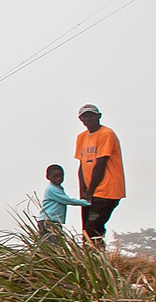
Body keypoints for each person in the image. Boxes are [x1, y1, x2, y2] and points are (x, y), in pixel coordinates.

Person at [74, 104, 126, 243]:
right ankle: (90, 260)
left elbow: (100, 164)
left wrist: (90, 191)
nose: (88, 118)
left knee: (93, 228)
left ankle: (95, 259)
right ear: (81, 119)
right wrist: (83, 192)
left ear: (99, 116)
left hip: (107, 189)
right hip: (90, 191)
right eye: (85, 116)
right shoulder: (81, 137)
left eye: (91, 115)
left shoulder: (106, 134)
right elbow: (82, 165)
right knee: (86, 230)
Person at [40, 164, 88, 239]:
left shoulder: (58, 188)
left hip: (53, 220)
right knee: (53, 243)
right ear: (47, 177)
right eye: (55, 176)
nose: (58, 178)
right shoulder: (51, 189)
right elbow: (67, 200)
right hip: (49, 221)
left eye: (61, 176)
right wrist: (86, 203)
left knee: (55, 242)